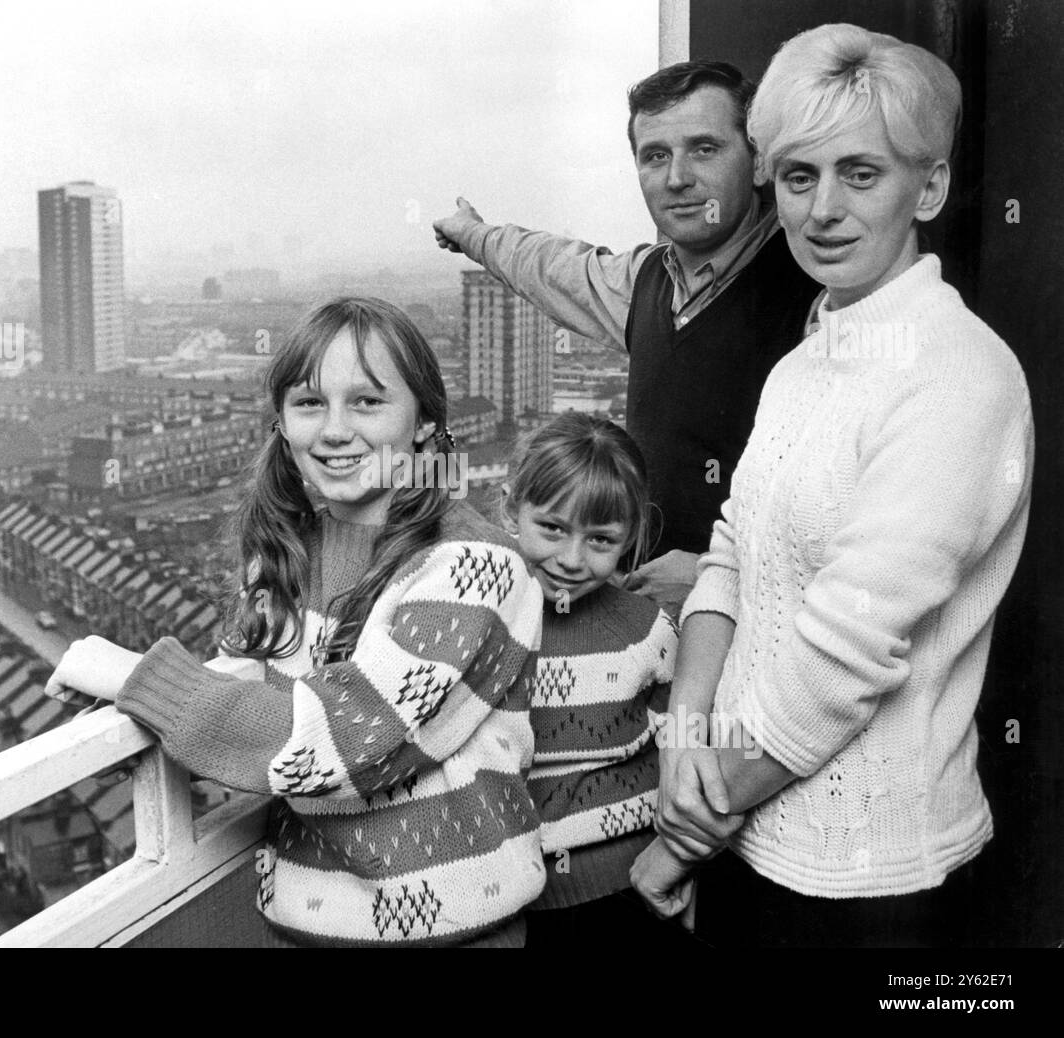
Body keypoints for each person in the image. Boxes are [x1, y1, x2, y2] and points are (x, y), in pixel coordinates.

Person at [630, 23, 1034, 948]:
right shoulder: (806, 361)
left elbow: (846, 651)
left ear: (926, 185)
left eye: (863, 173)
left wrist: (686, 830)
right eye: (801, 175)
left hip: (870, 889)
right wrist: (686, 737)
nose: (823, 210)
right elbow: (728, 560)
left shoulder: (959, 372)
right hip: (743, 837)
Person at [44, 297, 548, 947]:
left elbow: (343, 740)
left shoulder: (473, 566)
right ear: (282, 424)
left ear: (424, 422)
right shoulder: (289, 552)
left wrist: (137, 675)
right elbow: (249, 680)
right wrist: (134, 705)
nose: (335, 430)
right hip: (300, 924)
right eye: (309, 404)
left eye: (368, 402)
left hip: (454, 937)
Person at [433, 61, 822, 617]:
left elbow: (862, 520)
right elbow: (552, 266)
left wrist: (724, 579)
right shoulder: (645, 282)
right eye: (655, 155)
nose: (677, 178)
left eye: (704, 149)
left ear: (760, 162)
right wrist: (473, 233)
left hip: (766, 650)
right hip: (648, 629)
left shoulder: (819, 296)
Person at [496, 413, 692, 948]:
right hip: (502, 894)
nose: (571, 560)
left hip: (624, 892)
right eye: (553, 528)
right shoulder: (480, 619)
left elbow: (686, 748)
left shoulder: (646, 633)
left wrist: (683, 856)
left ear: (630, 537)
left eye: (600, 540)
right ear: (512, 508)